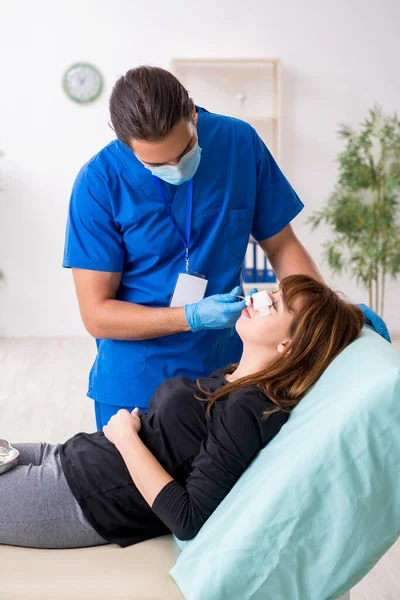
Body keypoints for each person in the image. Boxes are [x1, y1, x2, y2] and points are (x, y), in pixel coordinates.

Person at [1, 276, 366, 550]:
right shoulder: (232, 375)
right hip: (67, 456)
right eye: (272, 291)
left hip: (80, 497)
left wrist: (127, 438)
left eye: (277, 303)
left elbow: (188, 518)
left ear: (288, 346)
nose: (258, 298)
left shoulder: (249, 409)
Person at [63, 65, 324, 431]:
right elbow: (96, 314)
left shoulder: (239, 144)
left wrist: (321, 318)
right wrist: (191, 317)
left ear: (192, 110)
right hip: (137, 384)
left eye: (185, 150)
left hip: (231, 369)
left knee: (228, 485)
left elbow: (283, 247)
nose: (177, 167)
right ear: (125, 144)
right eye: (156, 164)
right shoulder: (98, 183)